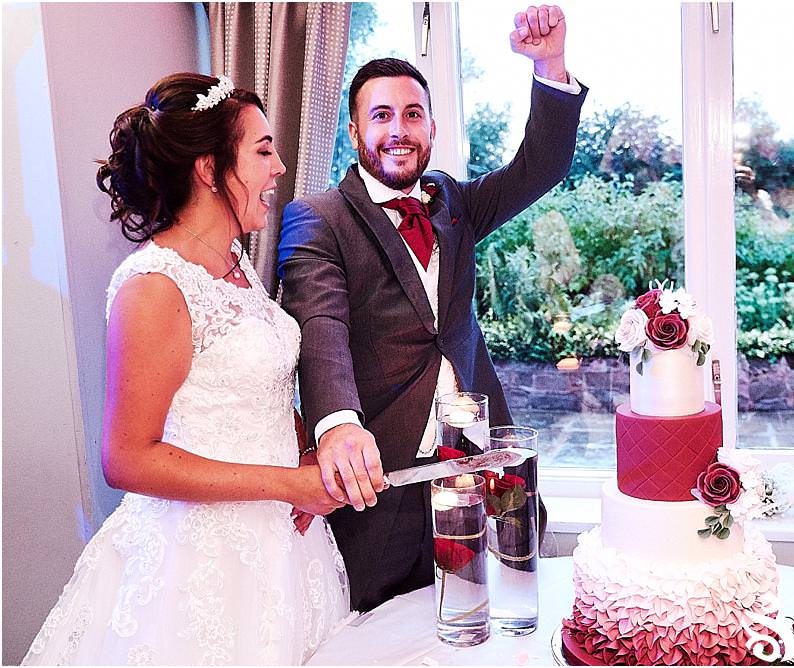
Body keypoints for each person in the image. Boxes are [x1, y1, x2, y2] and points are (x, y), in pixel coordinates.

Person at [23, 73, 353, 666]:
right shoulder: (153, 287)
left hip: (279, 547)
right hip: (198, 569)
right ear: (208, 168)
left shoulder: (237, 266)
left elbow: (252, 391)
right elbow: (126, 458)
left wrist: (309, 449)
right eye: (262, 150)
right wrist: (289, 484)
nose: (279, 167)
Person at [278, 5, 587, 612]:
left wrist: (549, 65)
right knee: (382, 629)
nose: (399, 129)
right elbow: (321, 329)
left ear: (433, 128)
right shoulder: (316, 219)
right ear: (353, 131)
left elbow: (540, 166)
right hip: (385, 475)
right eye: (382, 115)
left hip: (483, 460)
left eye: (412, 114)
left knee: (504, 611)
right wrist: (338, 424)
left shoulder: (454, 203)